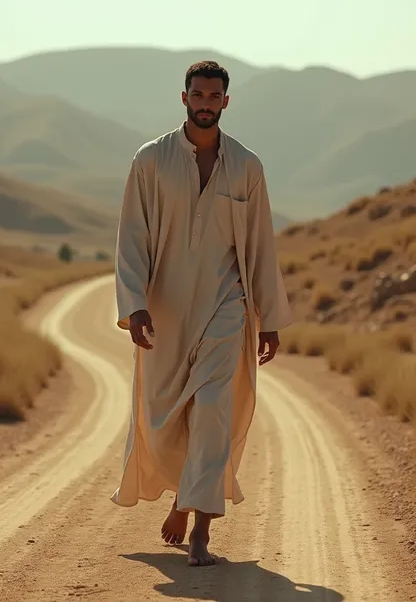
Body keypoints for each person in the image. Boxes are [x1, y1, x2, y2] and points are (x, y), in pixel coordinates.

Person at [111, 60, 292, 566]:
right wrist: (136, 305)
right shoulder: (150, 161)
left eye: (215, 96)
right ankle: (179, 494)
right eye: (198, 95)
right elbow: (131, 237)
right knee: (164, 416)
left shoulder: (247, 166)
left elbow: (260, 244)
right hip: (166, 309)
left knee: (213, 408)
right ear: (184, 98)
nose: (206, 103)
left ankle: (198, 528)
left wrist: (269, 318)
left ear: (226, 102)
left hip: (226, 306)